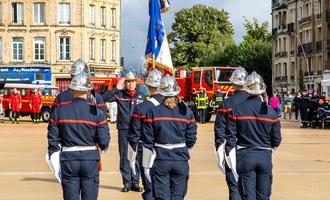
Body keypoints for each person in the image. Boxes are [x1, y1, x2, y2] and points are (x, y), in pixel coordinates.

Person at [47, 73, 110, 200]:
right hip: (90, 159)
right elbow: (104, 141)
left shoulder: (59, 111)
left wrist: (54, 153)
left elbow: (52, 138)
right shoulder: (97, 112)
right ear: (88, 91)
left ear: (72, 90)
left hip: (68, 159)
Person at [226, 72, 282, 200]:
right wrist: (271, 146)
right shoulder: (271, 112)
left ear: (246, 90)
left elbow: (230, 136)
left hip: (245, 156)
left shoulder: (237, 110)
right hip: (264, 156)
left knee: (247, 195)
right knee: (263, 196)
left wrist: (230, 156)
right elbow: (276, 139)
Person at [142, 74, 197, 200]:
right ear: (176, 92)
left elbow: (147, 139)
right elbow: (191, 138)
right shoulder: (186, 113)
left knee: (162, 197)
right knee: (178, 196)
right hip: (180, 159)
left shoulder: (153, 112)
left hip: (161, 159)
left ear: (161, 93)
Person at [103, 71, 146, 192]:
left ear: (135, 82)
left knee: (136, 156)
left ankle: (135, 182)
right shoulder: (119, 94)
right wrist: (116, 88)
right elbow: (103, 98)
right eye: (128, 82)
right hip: (124, 129)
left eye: (132, 81)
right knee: (124, 156)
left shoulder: (141, 96)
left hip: (137, 130)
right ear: (125, 83)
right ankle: (126, 182)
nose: (130, 84)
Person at [128, 68, 163, 200]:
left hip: (147, 151)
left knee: (149, 189)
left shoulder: (141, 107)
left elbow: (133, 135)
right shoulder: (177, 106)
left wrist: (131, 158)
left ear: (148, 86)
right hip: (171, 153)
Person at [214, 66, 248, 200]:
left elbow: (219, 131)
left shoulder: (226, 104)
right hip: (251, 148)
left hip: (231, 148)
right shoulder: (255, 103)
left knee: (234, 186)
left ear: (233, 83)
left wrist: (219, 153)